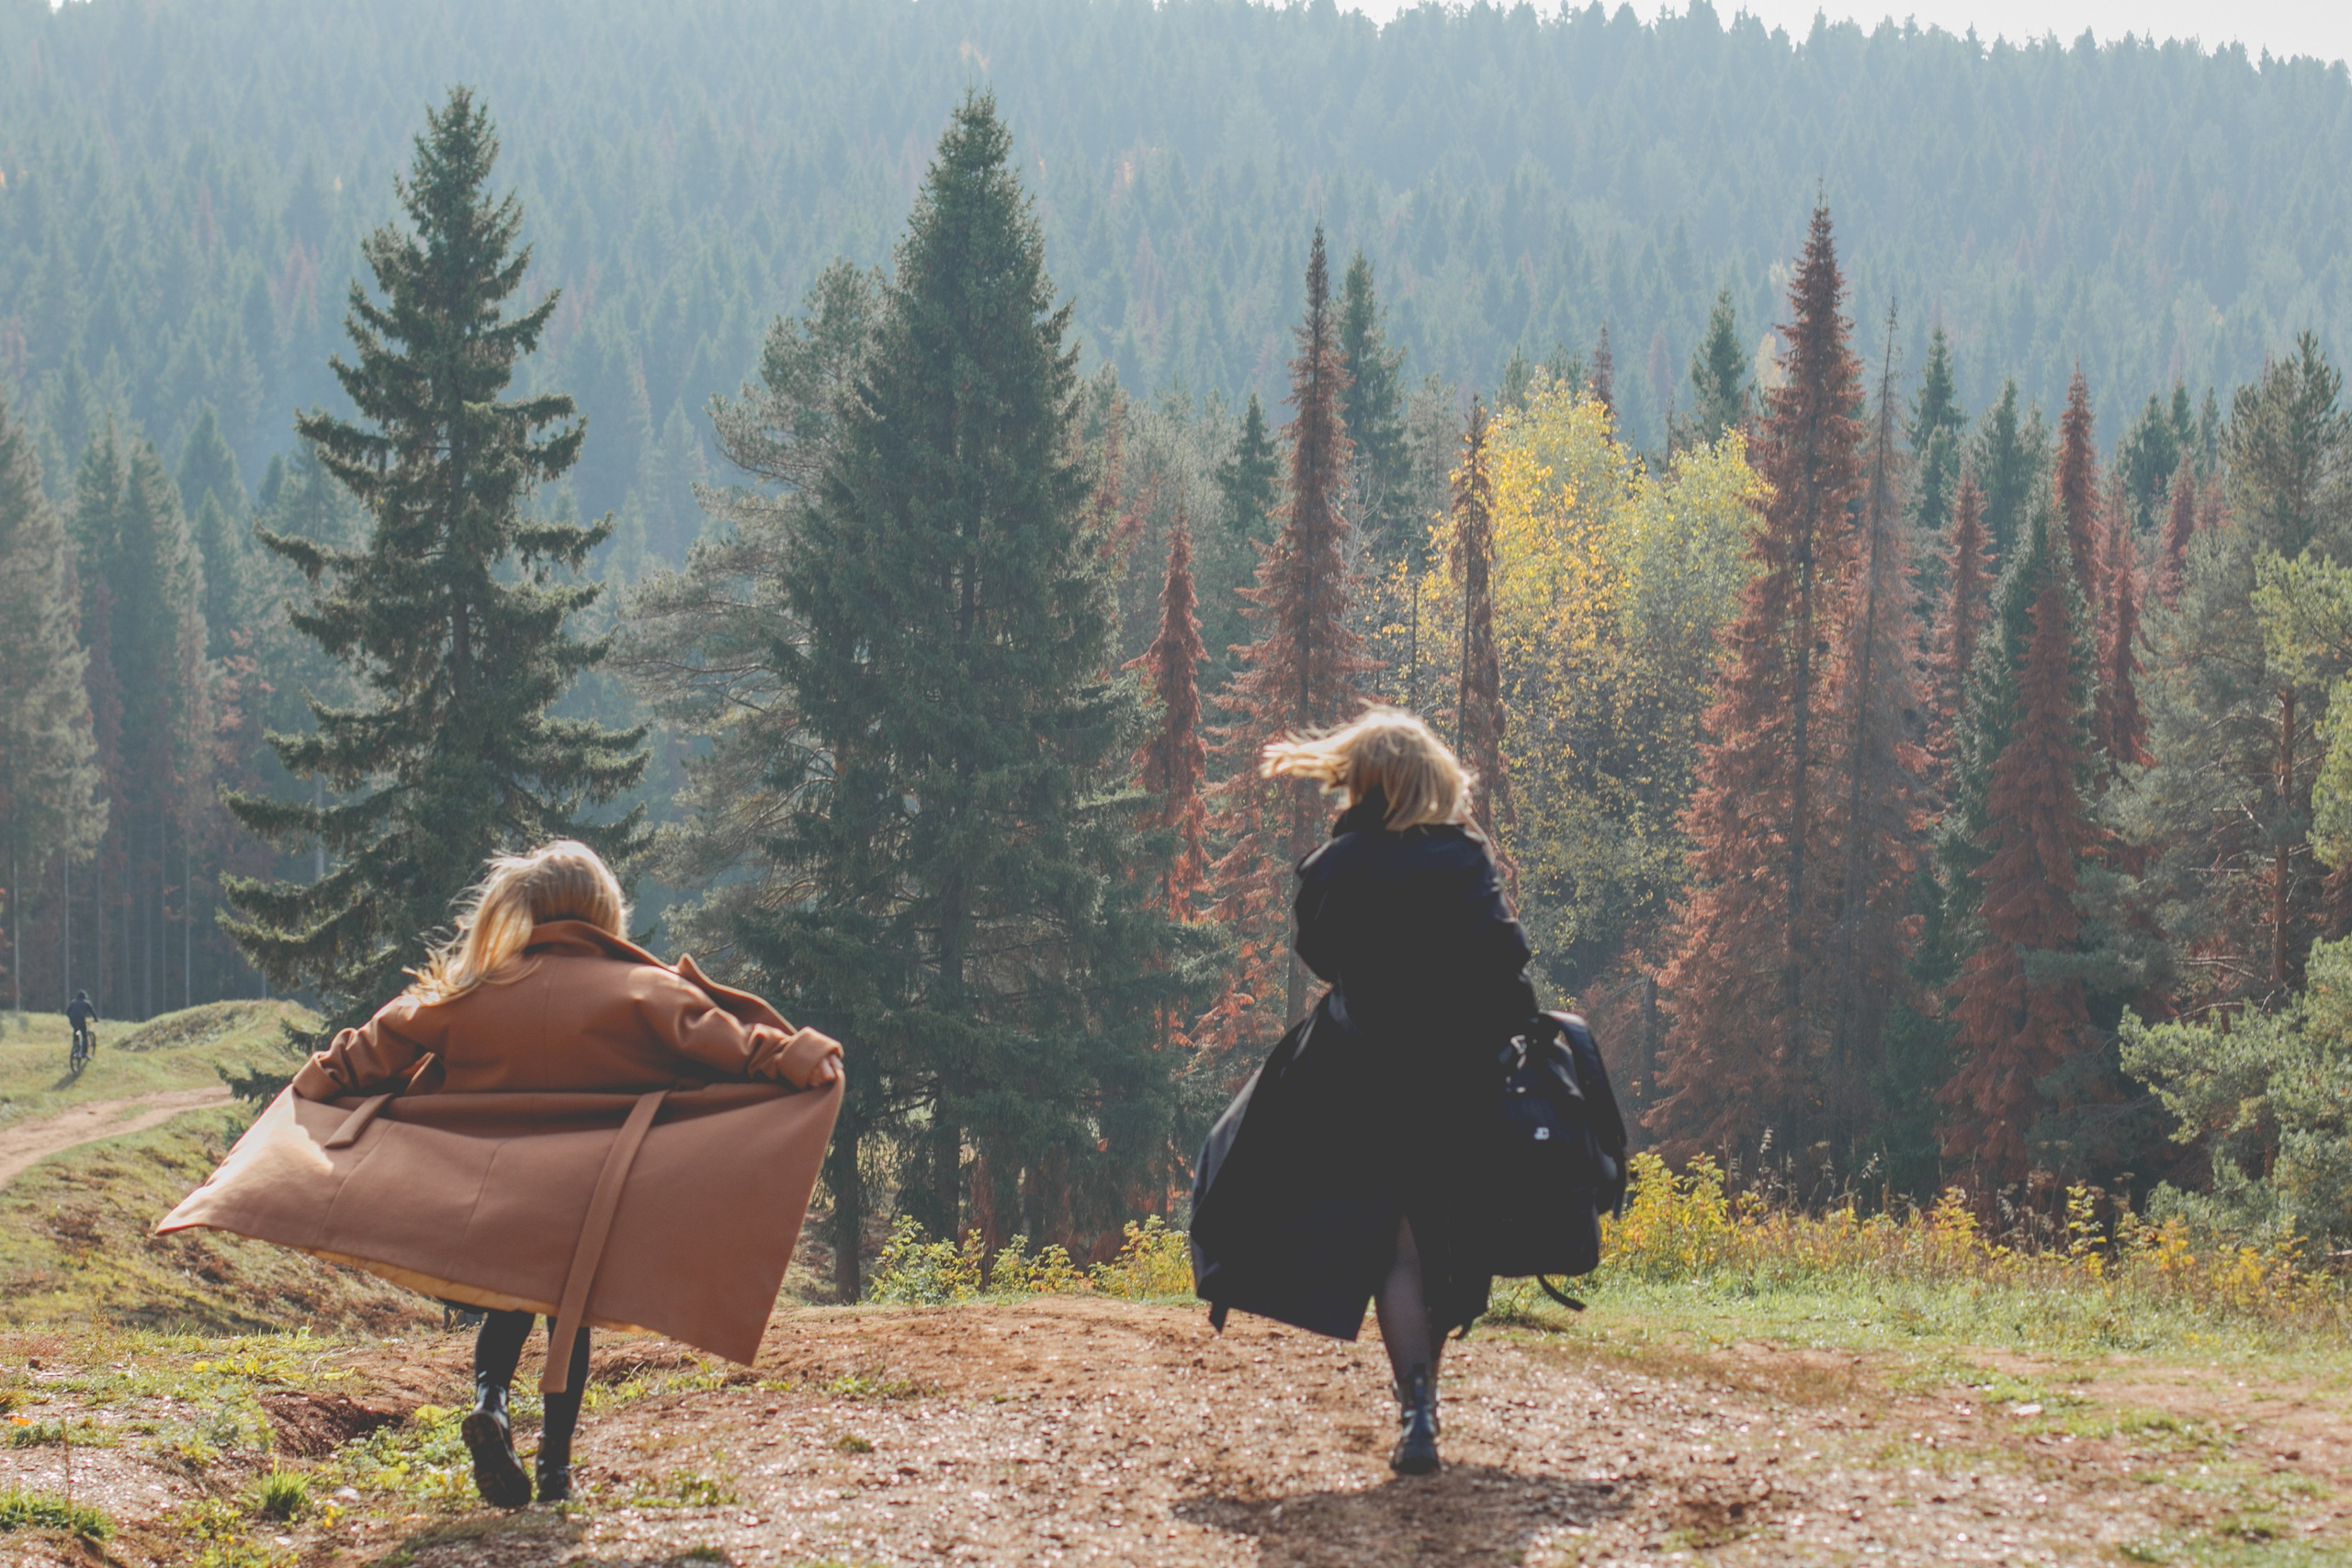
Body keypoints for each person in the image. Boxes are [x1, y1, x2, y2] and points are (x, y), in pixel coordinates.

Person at [285, 840, 842, 1507]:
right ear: (605, 911)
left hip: (491, 1192)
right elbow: (729, 1043)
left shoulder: (472, 989)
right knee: (566, 1317)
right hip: (589, 1197)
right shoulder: (643, 988)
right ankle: (555, 1470)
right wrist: (801, 1054)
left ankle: (491, 1404)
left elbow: (379, 1043)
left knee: (506, 1299)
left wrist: (320, 1079)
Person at [1192, 708, 1537, 1475]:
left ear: (1366, 785)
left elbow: (1317, 948)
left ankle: (1417, 1408)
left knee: (1397, 1246)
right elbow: (1506, 957)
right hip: (1461, 1075)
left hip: (1363, 1077)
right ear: (1429, 781)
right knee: (1443, 1240)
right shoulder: (1463, 855)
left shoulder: (1340, 864)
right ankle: (1424, 1396)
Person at [65, 990, 96, 1062]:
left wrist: (71, 1017)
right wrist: (96, 1019)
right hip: (81, 1020)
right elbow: (92, 1012)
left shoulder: (73, 1002)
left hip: (73, 1020)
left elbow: (67, 1012)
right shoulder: (86, 1002)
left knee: (76, 1031)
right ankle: (83, 1053)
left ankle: (75, 1045)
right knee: (84, 1035)